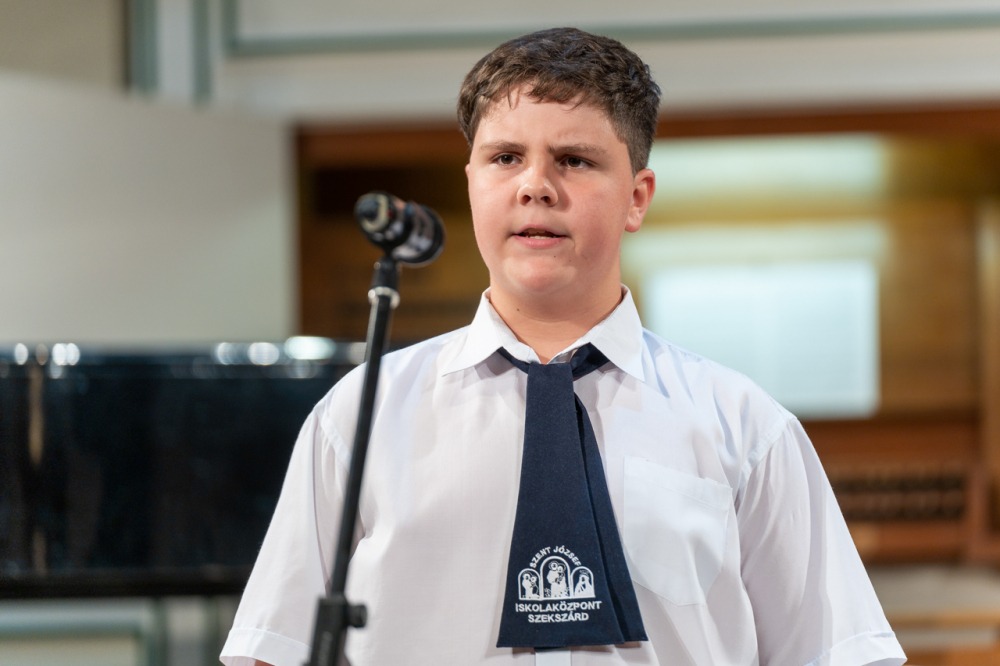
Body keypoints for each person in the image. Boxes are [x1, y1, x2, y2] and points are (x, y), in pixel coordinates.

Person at [220, 27, 906, 666]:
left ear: (637, 197)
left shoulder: (745, 426)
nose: (535, 186)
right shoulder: (361, 416)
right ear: (472, 183)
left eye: (574, 160)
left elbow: (838, 652)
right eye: (505, 158)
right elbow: (272, 648)